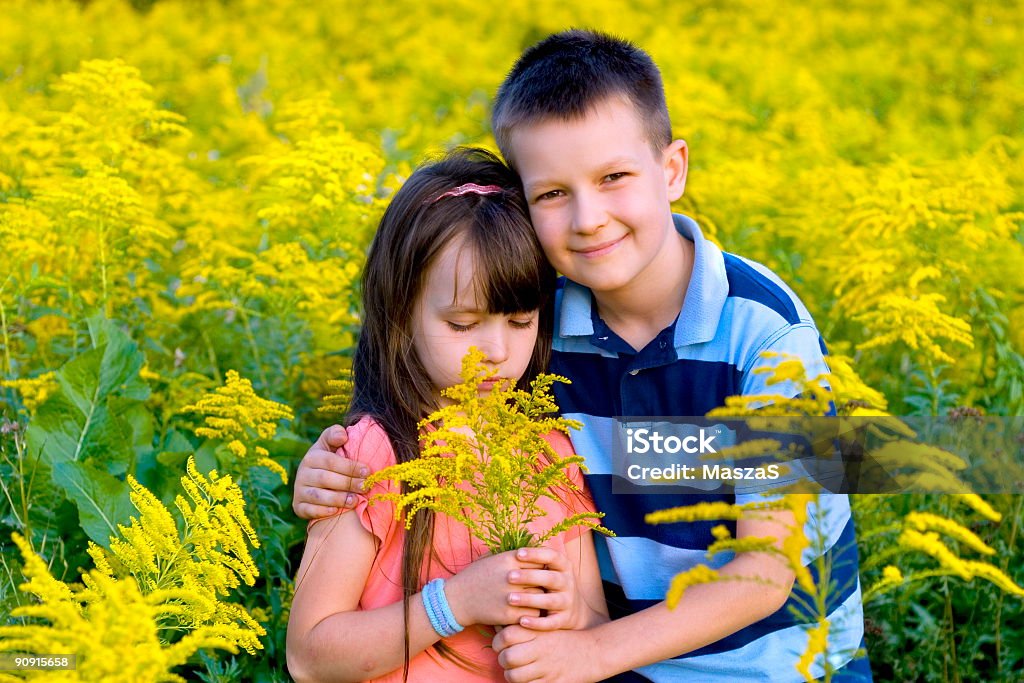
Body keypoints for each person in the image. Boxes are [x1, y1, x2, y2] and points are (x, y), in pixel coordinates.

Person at [293, 30, 871, 683]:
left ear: (673, 169)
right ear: (521, 209)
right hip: (611, 655)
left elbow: (766, 571)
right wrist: (335, 471)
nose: (589, 218)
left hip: (778, 664)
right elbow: (430, 408)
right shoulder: (530, 323)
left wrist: (593, 651)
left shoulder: (766, 334)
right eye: (553, 194)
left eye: (614, 177)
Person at [286, 147, 607, 683]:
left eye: (520, 321)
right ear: (401, 314)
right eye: (463, 325)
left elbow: (593, 623)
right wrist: (456, 602)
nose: (496, 352)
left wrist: (571, 614)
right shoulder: (374, 455)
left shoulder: (551, 450)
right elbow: (309, 657)